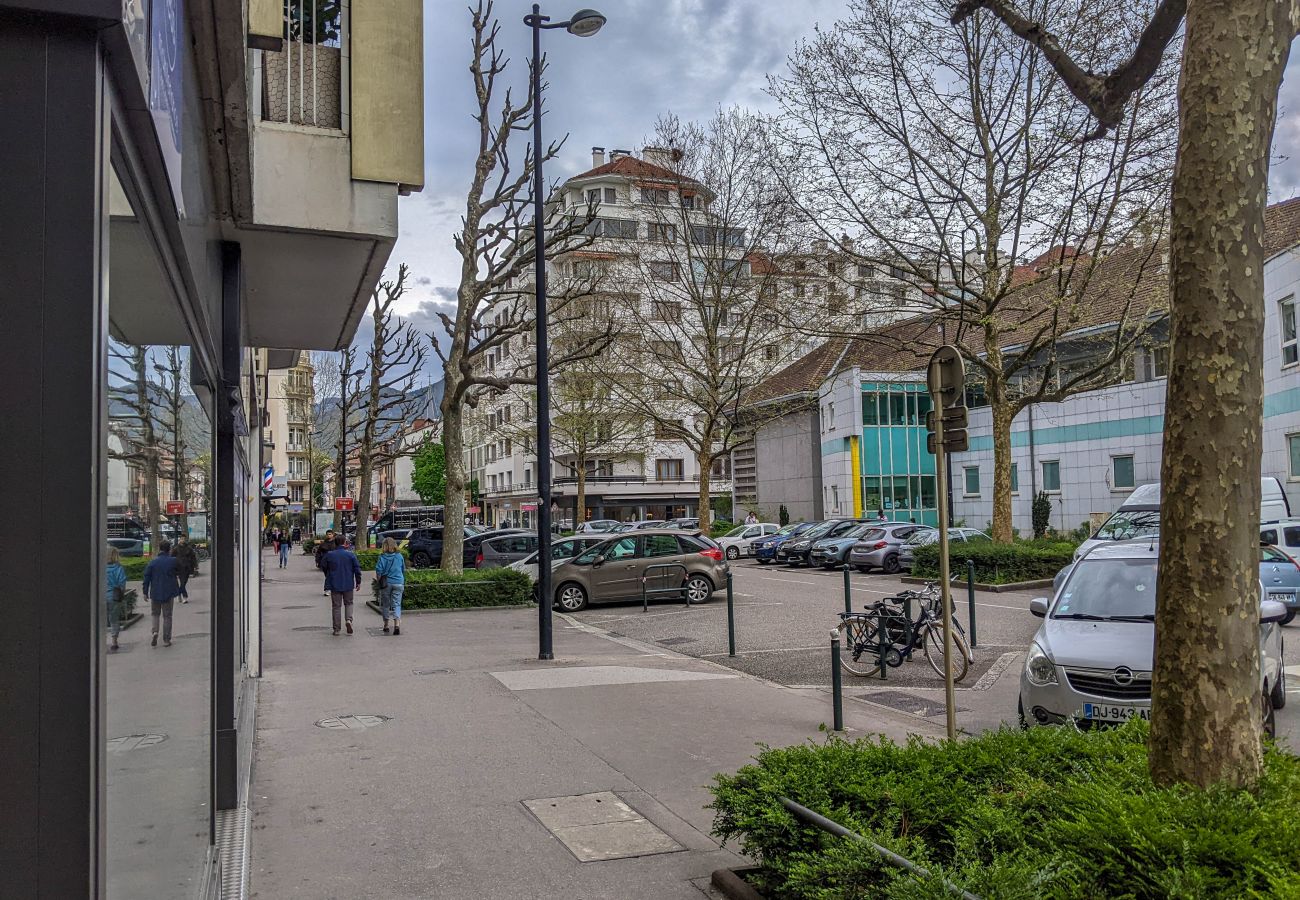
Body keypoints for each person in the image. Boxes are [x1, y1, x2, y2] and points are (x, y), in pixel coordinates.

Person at [142, 541, 182, 647]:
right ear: (169, 549)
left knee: (155, 614)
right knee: (167, 616)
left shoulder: (153, 562)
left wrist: (145, 592)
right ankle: (166, 639)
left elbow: (146, 577)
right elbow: (180, 570)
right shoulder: (173, 561)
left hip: (155, 592)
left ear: (159, 549)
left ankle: (155, 631)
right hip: (169, 592)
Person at [322, 538, 363, 636]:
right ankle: (349, 620)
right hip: (348, 583)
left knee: (336, 606)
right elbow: (357, 569)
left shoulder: (330, 555)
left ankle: (337, 629)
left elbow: (323, 565)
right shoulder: (350, 555)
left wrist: (328, 574)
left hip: (335, 583)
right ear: (345, 543)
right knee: (349, 603)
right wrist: (358, 582)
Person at [375, 537, 406, 635]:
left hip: (386, 583)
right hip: (398, 582)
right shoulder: (399, 556)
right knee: (397, 604)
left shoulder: (382, 557)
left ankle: (386, 625)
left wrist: (379, 580)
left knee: (386, 604)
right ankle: (397, 624)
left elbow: (379, 571)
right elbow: (403, 569)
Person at [106, 546, 127, 652]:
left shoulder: (99, 568)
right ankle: (114, 641)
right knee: (114, 620)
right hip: (114, 597)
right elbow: (122, 584)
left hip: (100, 597)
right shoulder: (119, 568)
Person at [173, 535, 198, 602]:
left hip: (187, 567)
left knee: (184, 582)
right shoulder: (176, 548)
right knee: (182, 582)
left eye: (184, 539)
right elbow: (172, 557)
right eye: (181, 539)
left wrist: (195, 566)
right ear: (179, 540)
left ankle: (178, 593)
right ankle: (185, 597)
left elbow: (193, 557)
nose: (183, 540)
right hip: (179, 567)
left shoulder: (189, 548)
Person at [315, 530, 336, 596]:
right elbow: (318, 552)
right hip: (324, 562)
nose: (328, 535)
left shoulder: (336, 543)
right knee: (328, 575)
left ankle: (327, 589)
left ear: (333, 535)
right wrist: (317, 561)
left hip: (333, 561)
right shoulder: (323, 543)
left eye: (330, 534)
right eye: (327, 534)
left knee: (329, 575)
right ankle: (331, 587)